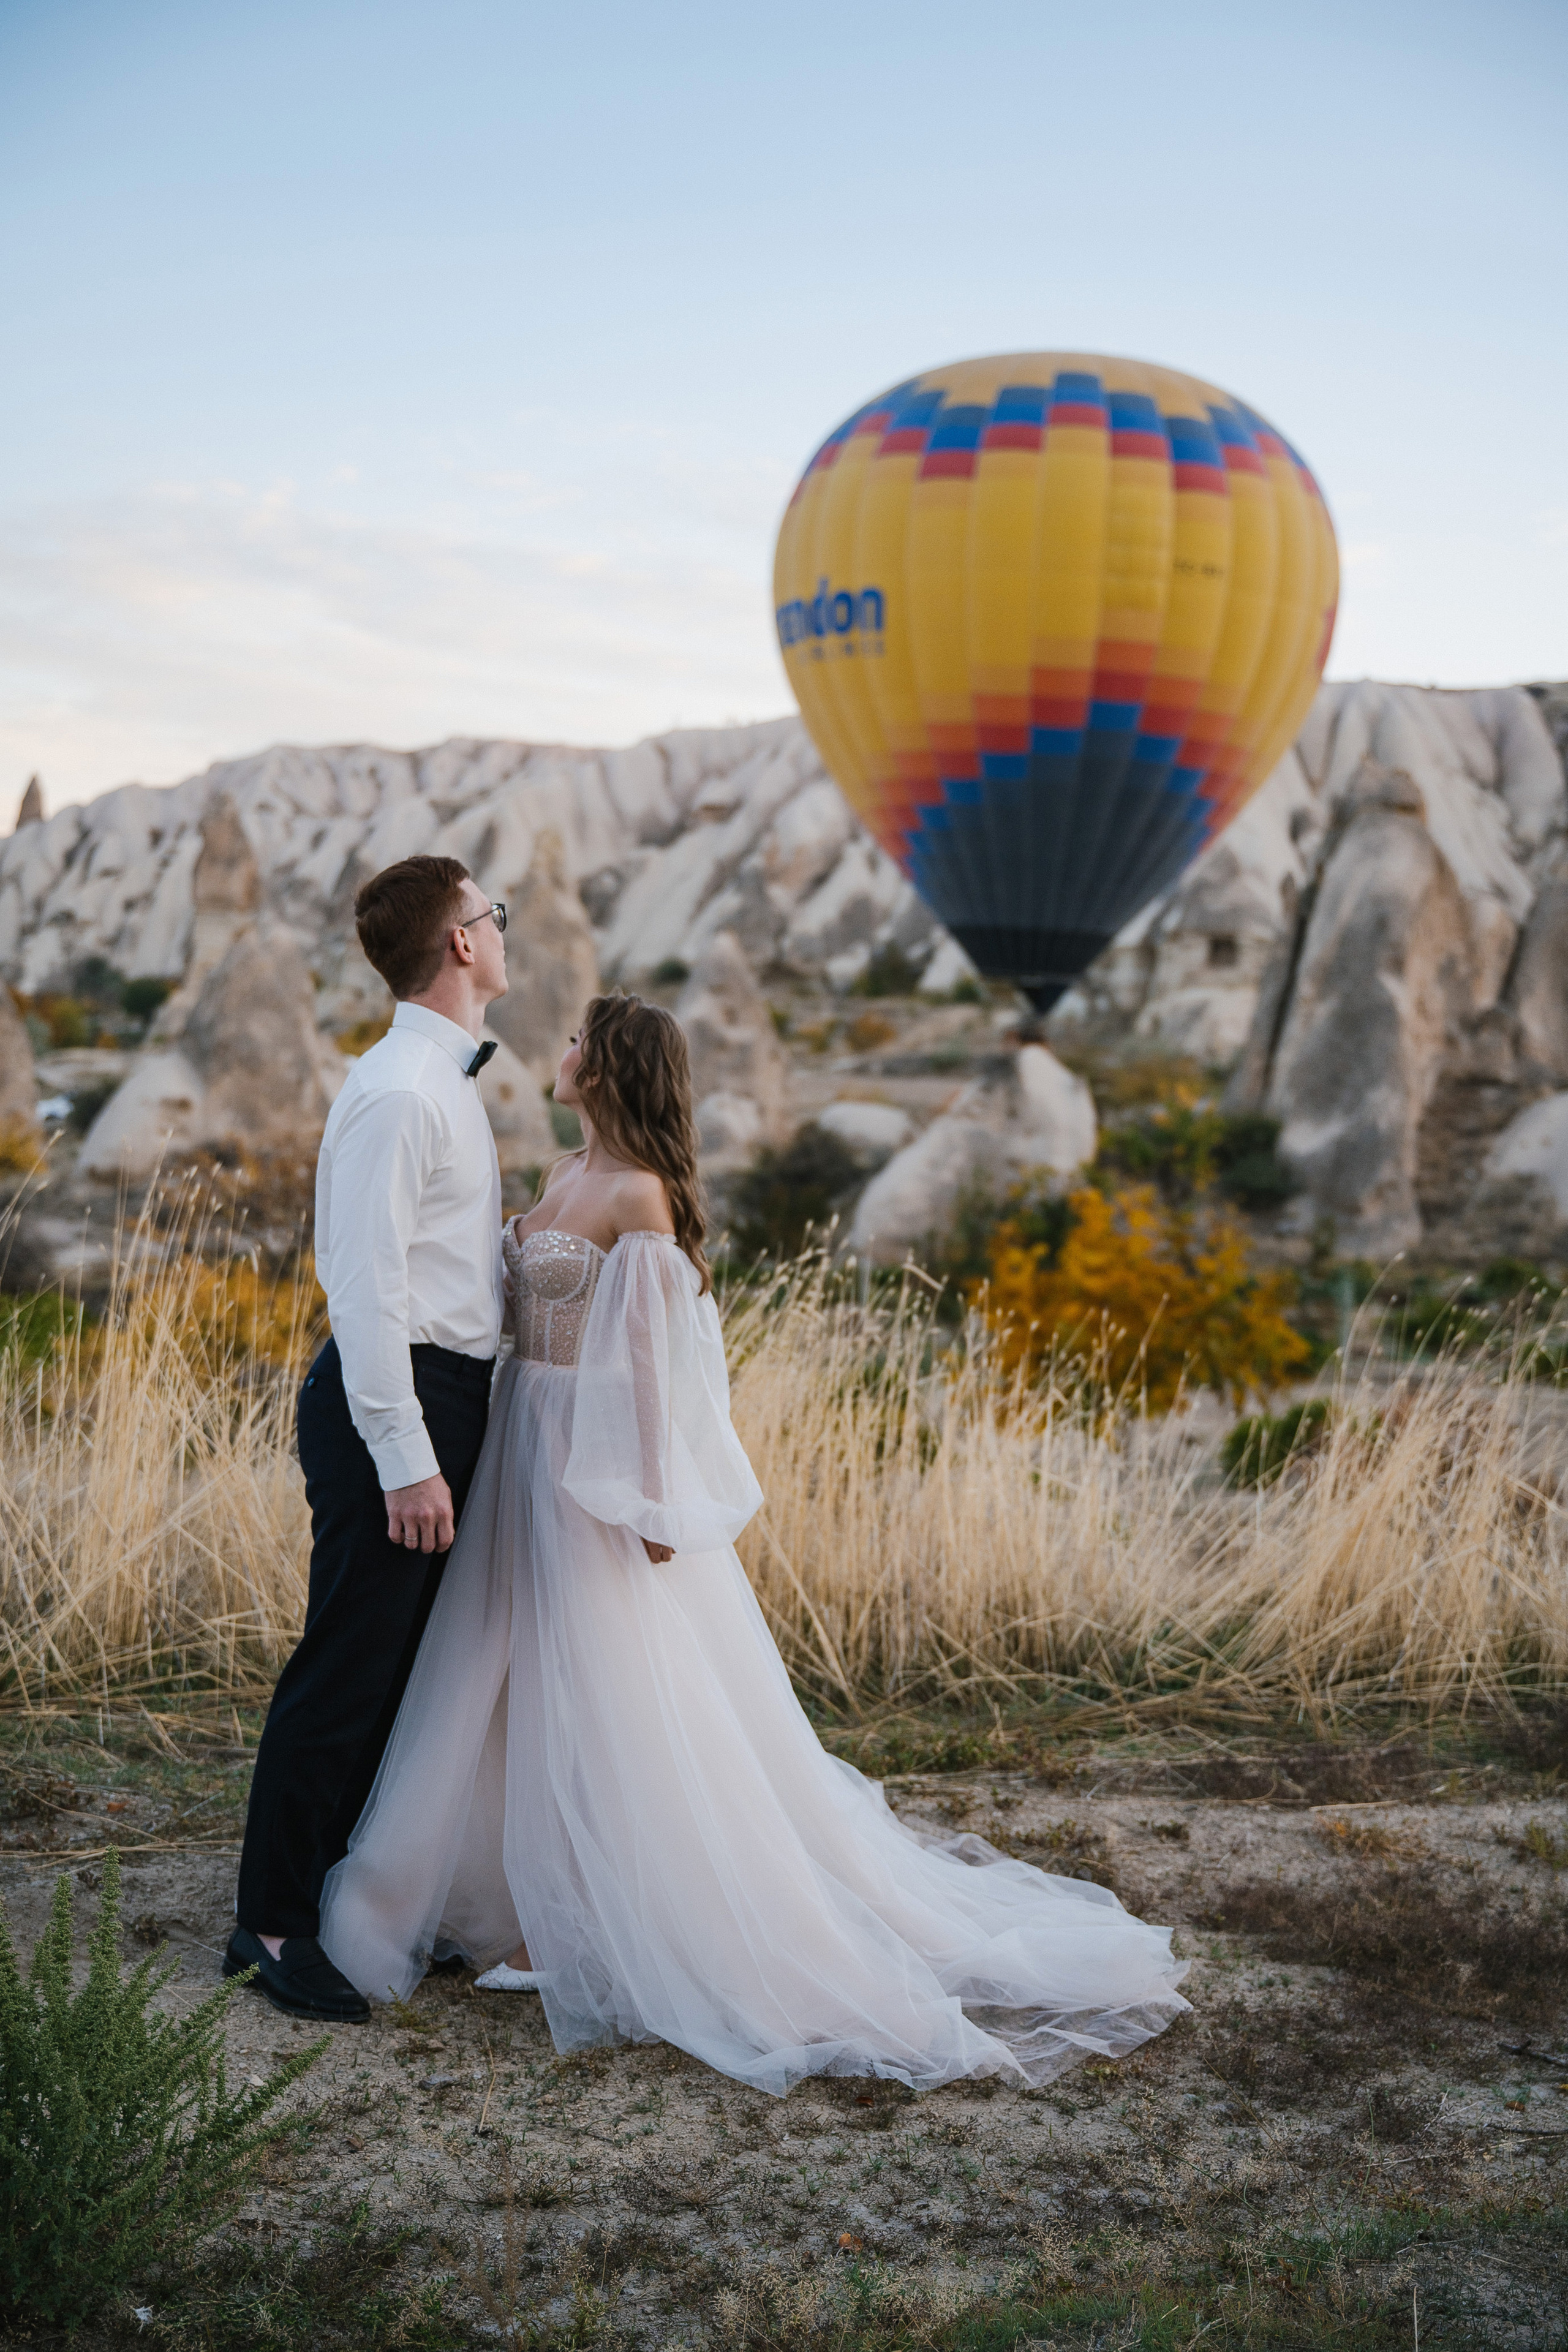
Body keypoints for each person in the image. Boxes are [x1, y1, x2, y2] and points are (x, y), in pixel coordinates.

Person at [319, 992, 1189, 2090]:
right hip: (514, 1448)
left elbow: (648, 1368)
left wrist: (646, 1502)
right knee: (493, 1675)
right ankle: (493, 1899)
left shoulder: (639, 1197)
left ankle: (579, 1922)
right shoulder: (555, 1177)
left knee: (601, 1685)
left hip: (583, 1468)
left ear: (612, 1067)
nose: (564, 1050)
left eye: (581, 1040)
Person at [225, 854, 510, 2022]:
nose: (503, 930)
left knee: (399, 1674)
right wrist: (408, 1457)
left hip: (437, 1393)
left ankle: (358, 1901)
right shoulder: (402, 1091)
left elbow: (440, 1265)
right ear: (458, 943)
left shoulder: (438, 1081)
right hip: (396, 1404)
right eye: (494, 914)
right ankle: (274, 1927)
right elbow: (369, 1291)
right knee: (346, 1669)